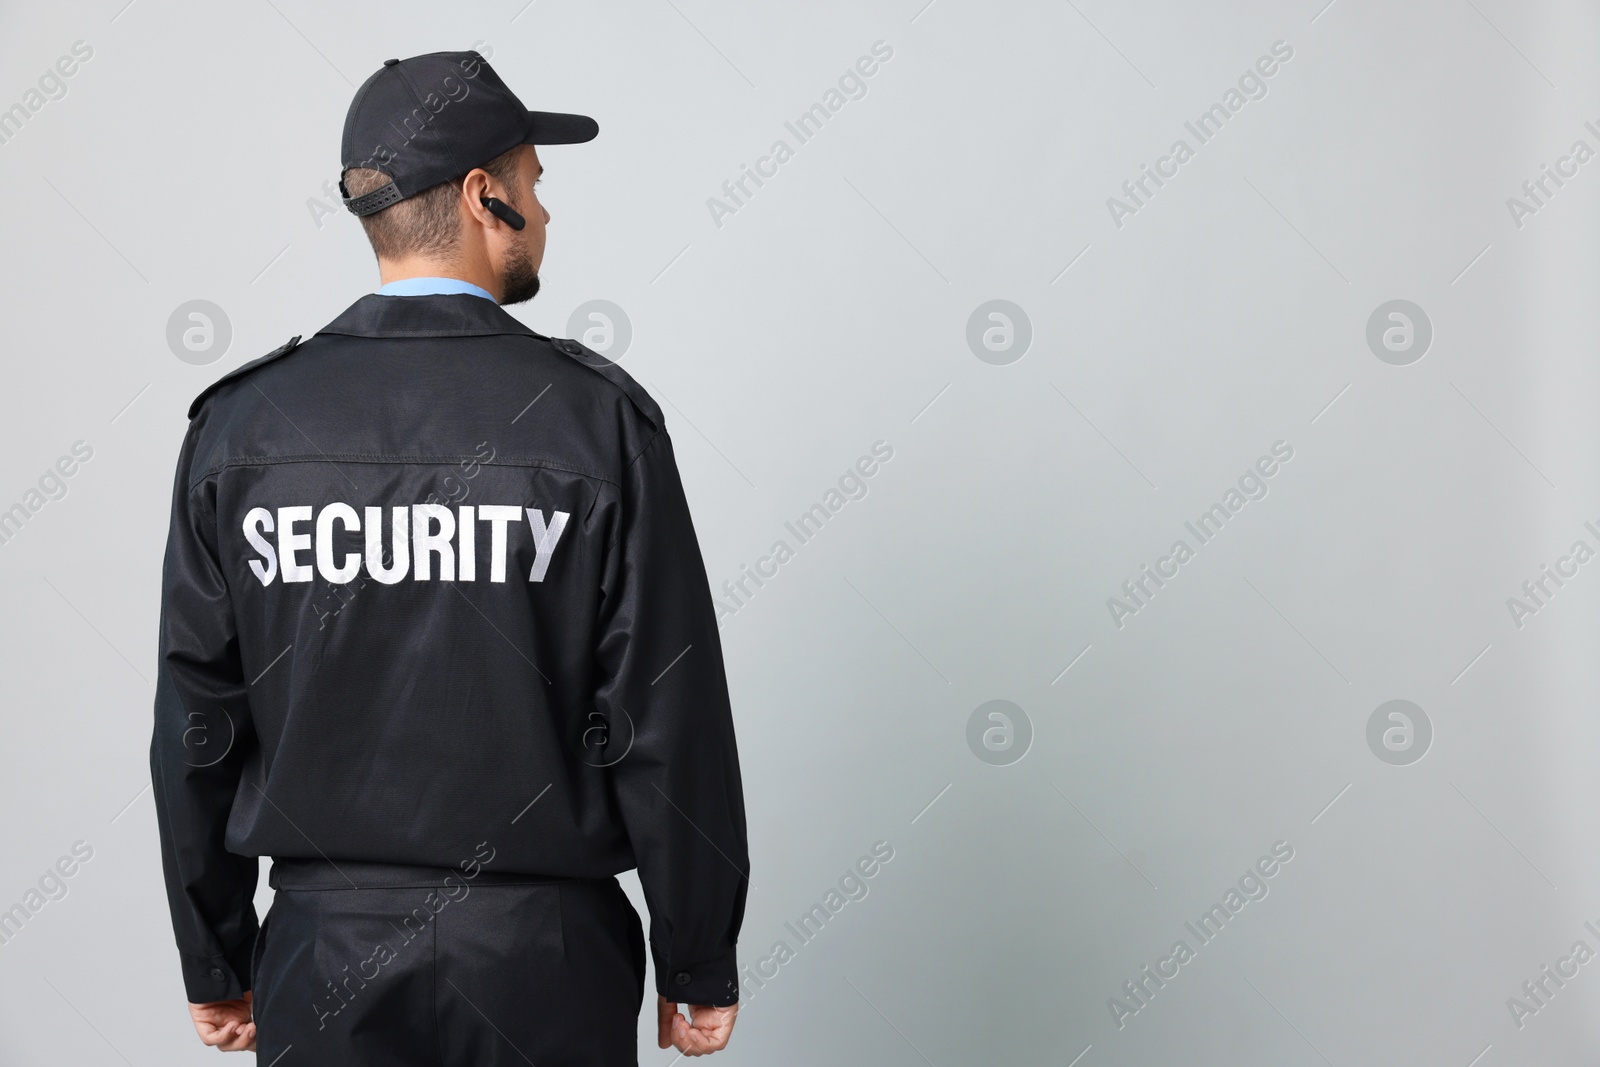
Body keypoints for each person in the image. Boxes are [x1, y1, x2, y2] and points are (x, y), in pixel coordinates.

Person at [150, 50, 749, 1064]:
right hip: (544, 958)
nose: (546, 213)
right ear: (484, 197)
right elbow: (667, 710)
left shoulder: (242, 430)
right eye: (535, 185)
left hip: (319, 956)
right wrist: (696, 955)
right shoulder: (594, 423)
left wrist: (217, 957)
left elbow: (198, 719)